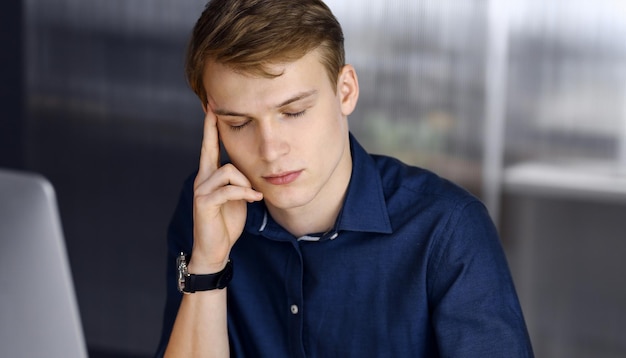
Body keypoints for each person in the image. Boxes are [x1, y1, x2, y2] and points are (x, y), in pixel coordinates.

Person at [156, 0, 534, 356]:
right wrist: (208, 263)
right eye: (238, 123)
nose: (270, 150)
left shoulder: (446, 229)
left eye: (295, 112)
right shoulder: (207, 214)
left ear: (346, 91)